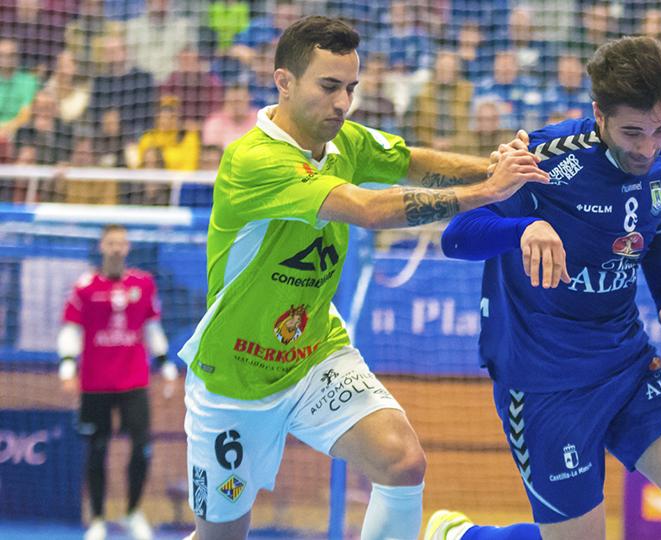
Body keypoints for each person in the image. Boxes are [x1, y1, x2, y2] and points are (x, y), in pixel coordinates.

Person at [177, 16, 548, 540]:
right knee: (223, 535)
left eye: (350, 88)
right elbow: (369, 209)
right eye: (329, 87)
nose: (342, 103)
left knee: (401, 463)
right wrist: (488, 192)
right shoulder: (253, 160)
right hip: (235, 374)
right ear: (283, 81)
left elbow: (412, 162)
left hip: (313, 353)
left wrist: (501, 165)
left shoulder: (343, 141)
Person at [430, 36, 661, 540]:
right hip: (543, 382)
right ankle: (462, 536)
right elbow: (455, 236)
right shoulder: (543, 157)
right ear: (598, 113)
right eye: (632, 132)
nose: (648, 147)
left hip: (626, 363)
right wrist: (523, 228)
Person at [57, 224, 178, 540]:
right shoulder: (85, 286)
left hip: (133, 381)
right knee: (96, 449)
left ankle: (133, 513)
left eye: (121, 243)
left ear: (127, 248)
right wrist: (67, 368)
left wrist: (165, 364)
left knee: (141, 447)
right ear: (101, 246)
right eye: (110, 242)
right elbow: (71, 328)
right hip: (95, 383)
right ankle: (97, 519)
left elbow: (152, 326)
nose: (115, 248)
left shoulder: (143, 283)